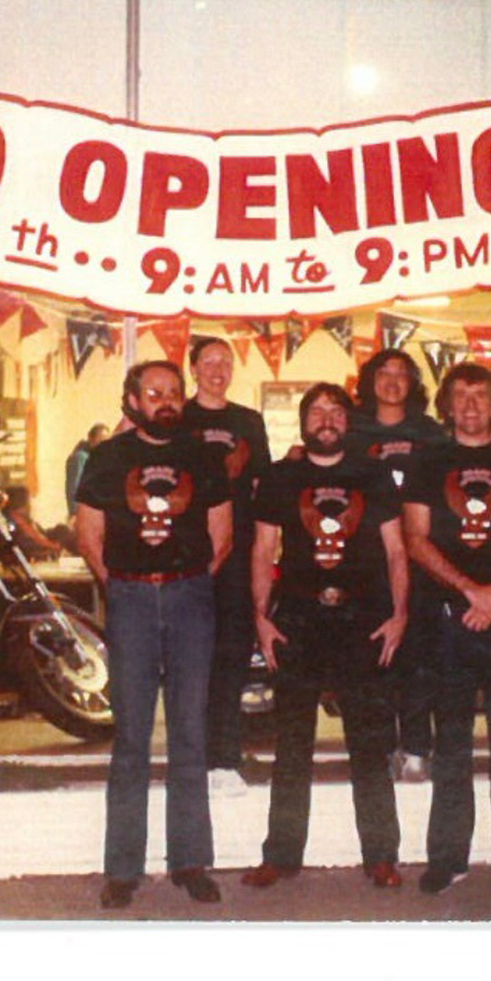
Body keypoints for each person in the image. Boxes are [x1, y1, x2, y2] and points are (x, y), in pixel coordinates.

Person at [74, 361, 232, 910]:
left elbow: (222, 536)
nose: (166, 401)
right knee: (132, 738)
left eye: (173, 393)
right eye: (154, 393)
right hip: (131, 602)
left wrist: (182, 584)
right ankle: (123, 868)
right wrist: (125, 587)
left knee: (190, 733)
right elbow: (88, 534)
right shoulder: (108, 458)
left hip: (191, 599)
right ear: (132, 399)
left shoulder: (204, 457)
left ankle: (189, 863)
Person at [240, 383, 410, 890]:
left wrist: (400, 613)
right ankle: (281, 856)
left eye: (336, 410)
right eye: (317, 411)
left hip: (363, 620)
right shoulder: (280, 476)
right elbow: (261, 551)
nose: (327, 418)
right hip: (298, 619)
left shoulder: (373, 475)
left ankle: (381, 856)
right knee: (292, 743)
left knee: (369, 742)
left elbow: (397, 551)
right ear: (303, 422)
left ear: (347, 422)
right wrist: (260, 617)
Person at [402, 362, 491, 893]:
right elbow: (416, 538)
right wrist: (470, 590)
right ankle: (447, 857)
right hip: (449, 618)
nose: (469, 405)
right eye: (460, 396)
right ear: (447, 405)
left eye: (480, 396)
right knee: (452, 742)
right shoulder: (428, 460)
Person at [350, 349, 449, 784]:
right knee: (374, 657)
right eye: (383, 373)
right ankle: (380, 747)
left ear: (413, 384)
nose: (392, 381)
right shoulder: (351, 429)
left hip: (421, 558)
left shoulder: (431, 433)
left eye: (401, 375)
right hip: (367, 561)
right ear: (369, 380)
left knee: (419, 657)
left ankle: (416, 748)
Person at [181, 336, 273, 794]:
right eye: (209, 362)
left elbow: (261, 489)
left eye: (225, 362)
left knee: (231, 655)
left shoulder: (248, 421)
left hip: (236, 553)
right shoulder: (176, 417)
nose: (218, 369)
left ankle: (225, 756)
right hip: (183, 554)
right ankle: (190, 757)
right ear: (193, 368)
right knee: (187, 659)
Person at [65, 423, 108, 519]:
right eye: (100, 439)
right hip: (83, 516)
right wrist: (76, 515)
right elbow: (74, 489)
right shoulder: (80, 458)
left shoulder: (96, 460)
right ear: (91, 439)